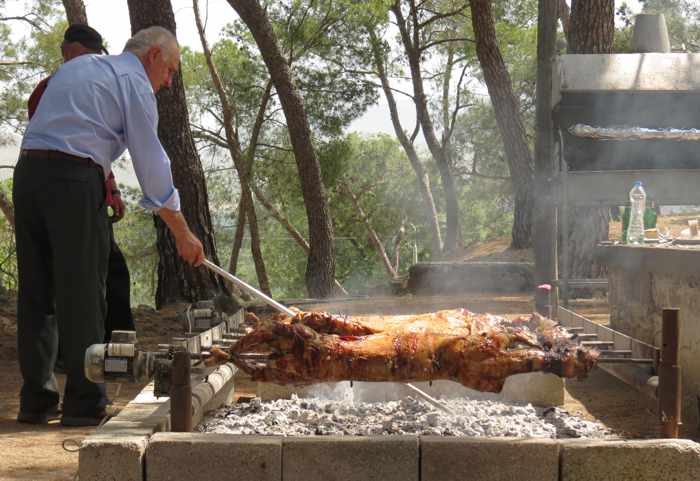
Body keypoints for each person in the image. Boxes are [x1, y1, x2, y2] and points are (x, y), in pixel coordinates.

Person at [14, 26, 204, 426]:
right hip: (72, 181)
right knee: (82, 291)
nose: (168, 82)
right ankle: (84, 404)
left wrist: (107, 181)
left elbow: (65, 125)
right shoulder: (134, 82)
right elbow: (152, 165)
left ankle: (36, 401)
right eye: (170, 70)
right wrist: (182, 233)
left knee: (38, 292)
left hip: (28, 174)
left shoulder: (80, 67)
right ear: (153, 55)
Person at [27, 25, 135, 359]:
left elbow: (95, 141)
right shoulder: (50, 88)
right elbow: (64, 143)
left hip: (89, 185)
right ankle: (77, 360)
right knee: (68, 278)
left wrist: (111, 187)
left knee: (110, 269)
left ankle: (117, 346)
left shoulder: (94, 79)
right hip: (62, 186)